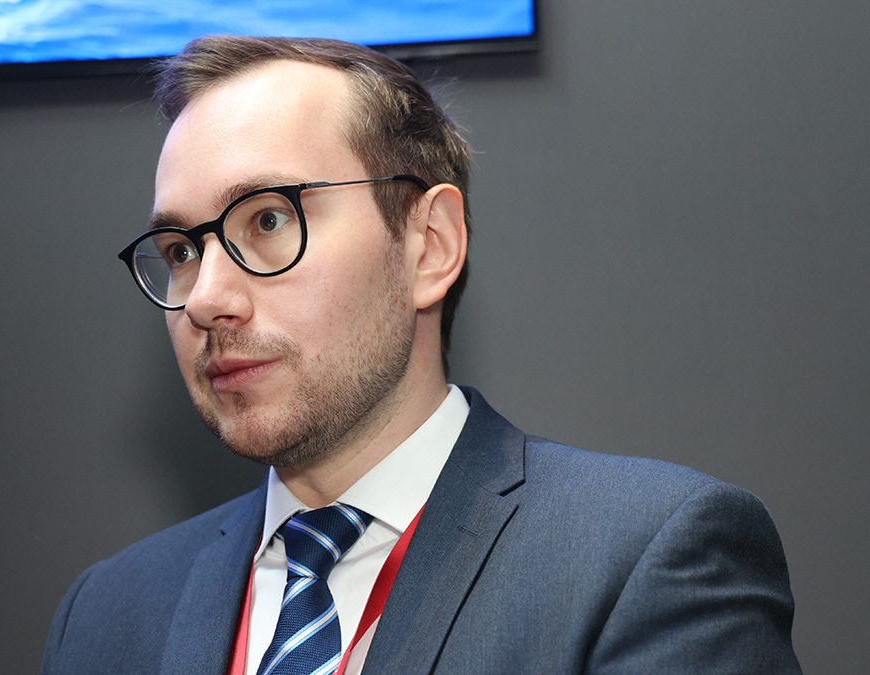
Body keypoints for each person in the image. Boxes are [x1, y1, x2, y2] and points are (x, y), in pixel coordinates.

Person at [42, 35, 799, 674]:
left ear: (429, 245)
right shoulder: (105, 616)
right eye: (180, 249)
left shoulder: (645, 559)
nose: (206, 298)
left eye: (268, 220)